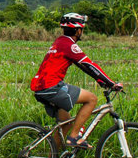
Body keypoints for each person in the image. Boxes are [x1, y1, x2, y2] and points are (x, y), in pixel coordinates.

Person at [31, 12, 122, 149]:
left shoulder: (59, 42)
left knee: (65, 123)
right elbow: (89, 65)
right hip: (52, 87)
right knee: (91, 99)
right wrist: (111, 84)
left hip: (41, 87)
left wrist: (101, 81)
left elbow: (84, 67)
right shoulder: (69, 45)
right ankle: (74, 137)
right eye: (82, 29)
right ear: (78, 30)